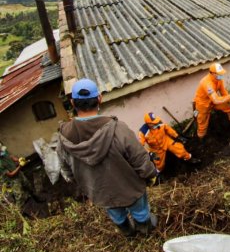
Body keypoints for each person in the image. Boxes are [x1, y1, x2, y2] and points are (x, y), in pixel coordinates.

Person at [57, 78, 159, 237]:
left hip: (99, 190)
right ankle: (144, 231)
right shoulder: (117, 128)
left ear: (72, 102)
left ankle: (128, 233)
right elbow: (139, 159)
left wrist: (80, 182)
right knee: (140, 211)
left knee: (116, 214)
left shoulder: (63, 136)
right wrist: (150, 174)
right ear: (99, 98)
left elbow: (66, 168)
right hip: (129, 186)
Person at [193, 63, 230, 140]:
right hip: (203, 105)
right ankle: (201, 138)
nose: (221, 75)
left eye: (221, 73)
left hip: (213, 100)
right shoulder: (207, 83)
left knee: (229, 108)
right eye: (219, 74)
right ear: (213, 73)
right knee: (202, 124)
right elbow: (216, 100)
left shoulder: (218, 80)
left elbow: (223, 92)